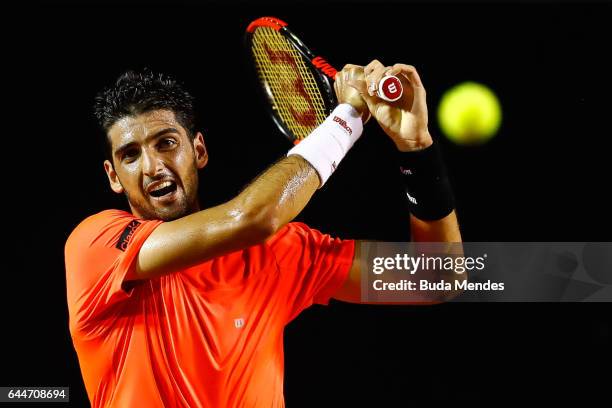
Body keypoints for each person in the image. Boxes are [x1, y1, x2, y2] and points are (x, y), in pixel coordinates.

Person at [65, 60, 461, 407]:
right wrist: (347, 119)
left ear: (199, 151)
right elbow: (251, 217)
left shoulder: (277, 253)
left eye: (166, 143)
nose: (151, 166)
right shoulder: (96, 246)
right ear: (113, 176)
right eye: (130, 155)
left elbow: (436, 279)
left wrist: (416, 149)